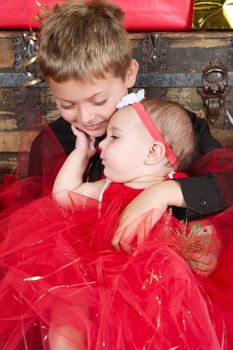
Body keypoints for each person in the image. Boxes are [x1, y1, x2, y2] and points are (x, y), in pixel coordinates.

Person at [0, 94, 232, 349]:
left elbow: (202, 224)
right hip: (97, 278)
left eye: (115, 137)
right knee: (67, 306)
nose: (101, 145)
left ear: (153, 151)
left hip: (156, 285)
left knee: (168, 320)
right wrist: (80, 153)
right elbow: (63, 196)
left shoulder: (178, 189)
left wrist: (203, 248)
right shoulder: (106, 188)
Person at [25, 0, 233, 277]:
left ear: (128, 73)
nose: (86, 117)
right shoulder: (52, 143)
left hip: (162, 272)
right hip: (85, 276)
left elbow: (227, 179)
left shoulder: (169, 126)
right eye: (67, 105)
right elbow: (44, 226)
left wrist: (163, 193)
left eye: (99, 100)